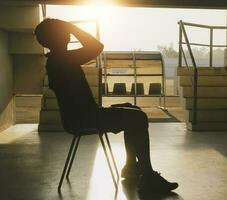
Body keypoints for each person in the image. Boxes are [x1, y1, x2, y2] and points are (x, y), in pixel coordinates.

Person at [34, 18, 178, 192]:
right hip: (86, 118)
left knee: (133, 109)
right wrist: (72, 26)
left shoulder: (57, 59)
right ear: (57, 37)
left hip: (83, 116)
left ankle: (131, 167)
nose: (68, 33)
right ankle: (147, 176)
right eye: (63, 31)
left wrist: (67, 27)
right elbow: (96, 46)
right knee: (139, 118)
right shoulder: (63, 59)